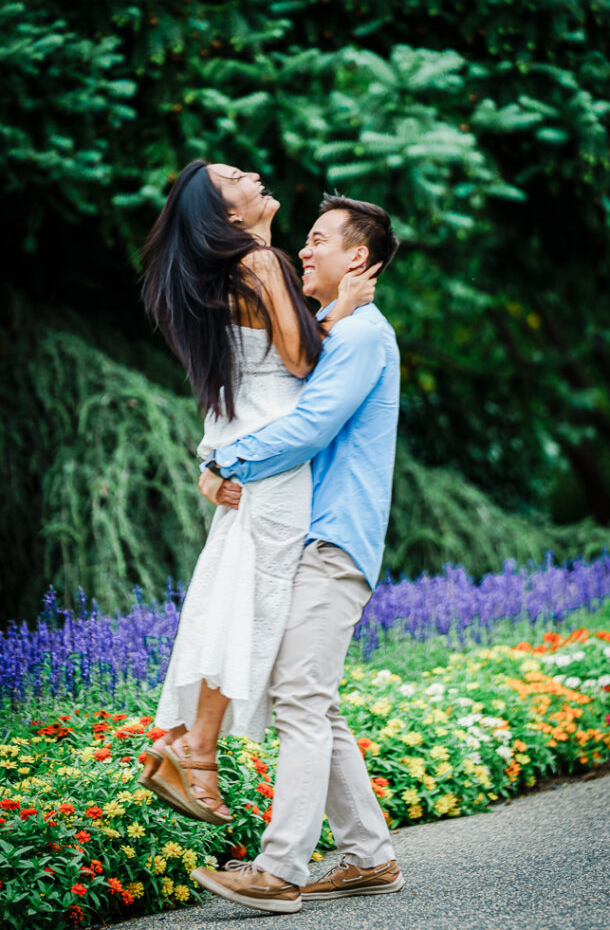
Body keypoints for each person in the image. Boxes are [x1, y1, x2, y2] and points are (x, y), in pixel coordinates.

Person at [139, 162, 376, 824]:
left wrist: (214, 460)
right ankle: (195, 752)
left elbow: (242, 378)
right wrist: (342, 310)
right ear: (229, 215)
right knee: (249, 606)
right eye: (235, 177)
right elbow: (300, 362)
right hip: (275, 462)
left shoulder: (223, 273)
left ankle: (190, 747)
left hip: (244, 455)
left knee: (229, 599)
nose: (254, 173)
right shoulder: (261, 261)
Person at [189, 195, 404, 914]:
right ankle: (368, 855)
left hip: (332, 540)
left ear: (359, 261)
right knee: (310, 700)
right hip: (318, 536)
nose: (302, 253)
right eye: (304, 241)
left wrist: (228, 459)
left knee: (299, 699)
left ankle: (280, 869)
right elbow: (296, 363)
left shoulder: (364, 335)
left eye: (318, 241)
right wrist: (331, 313)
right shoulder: (343, 329)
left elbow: (310, 424)